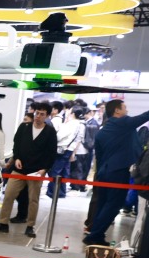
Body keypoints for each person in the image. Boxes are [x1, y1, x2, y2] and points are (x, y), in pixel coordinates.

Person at [83, 99, 149, 246]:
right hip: (118, 171)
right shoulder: (123, 122)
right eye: (124, 108)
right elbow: (144, 116)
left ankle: (95, 234)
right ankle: (95, 235)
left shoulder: (103, 131)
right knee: (114, 204)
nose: (127, 111)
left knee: (102, 204)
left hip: (104, 172)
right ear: (117, 111)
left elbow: (99, 156)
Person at [0, 102, 57, 238]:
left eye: (42, 114)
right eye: (37, 113)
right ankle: (3, 222)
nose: (38, 116)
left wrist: (44, 169)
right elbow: (17, 145)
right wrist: (17, 158)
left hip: (36, 171)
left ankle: (30, 225)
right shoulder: (24, 127)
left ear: (47, 116)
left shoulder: (50, 132)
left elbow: (51, 152)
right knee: (8, 195)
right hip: (19, 169)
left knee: (33, 199)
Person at [46, 104, 81, 199]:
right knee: (64, 171)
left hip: (62, 149)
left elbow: (60, 136)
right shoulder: (78, 124)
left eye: (70, 111)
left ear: (73, 113)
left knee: (55, 171)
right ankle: (61, 192)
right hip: (68, 149)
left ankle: (52, 192)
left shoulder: (71, 124)